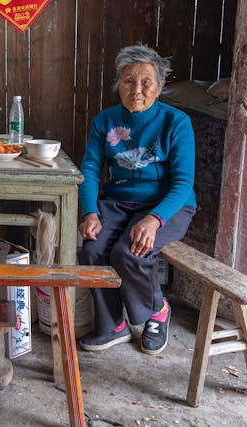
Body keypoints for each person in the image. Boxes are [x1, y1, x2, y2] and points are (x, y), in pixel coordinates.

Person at [77, 44, 196, 355]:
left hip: (169, 205)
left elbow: (183, 182)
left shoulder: (176, 122)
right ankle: (113, 324)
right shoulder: (106, 121)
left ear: (159, 86)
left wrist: (154, 219)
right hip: (118, 203)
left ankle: (157, 310)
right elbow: (90, 169)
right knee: (91, 250)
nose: (137, 90)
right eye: (129, 81)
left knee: (128, 253)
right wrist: (91, 212)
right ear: (119, 83)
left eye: (146, 81)